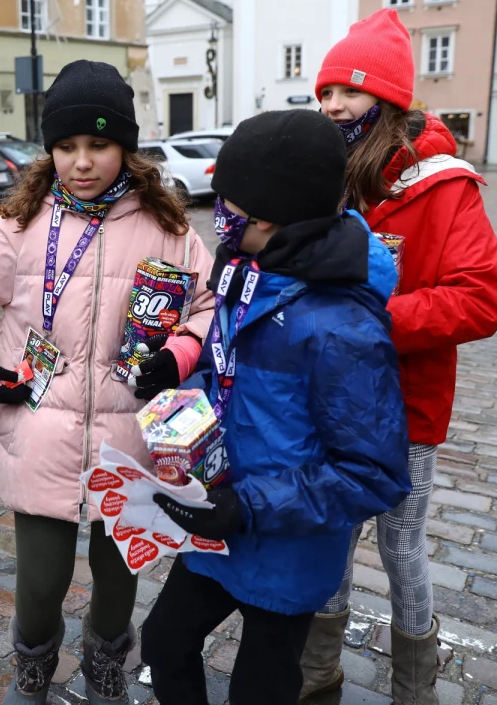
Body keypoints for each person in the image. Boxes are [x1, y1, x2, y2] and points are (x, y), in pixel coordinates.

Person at [0, 60, 217, 705]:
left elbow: (206, 304)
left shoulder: (168, 231)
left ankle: (105, 666)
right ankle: (31, 671)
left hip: (129, 439)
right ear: (49, 150)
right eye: (65, 147)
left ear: (126, 149)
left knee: (118, 578)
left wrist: (182, 351)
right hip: (40, 433)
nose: (81, 162)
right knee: (41, 579)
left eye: (99, 145)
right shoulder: (20, 229)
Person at [139, 110, 412, 705]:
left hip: (285, 544)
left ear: (266, 218)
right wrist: (180, 402)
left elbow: (376, 473)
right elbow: (226, 368)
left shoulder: (342, 326)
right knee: (163, 642)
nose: (218, 215)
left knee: (259, 689)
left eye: (228, 206)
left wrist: (248, 507)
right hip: (218, 522)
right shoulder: (248, 267)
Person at [307, 8, 497, 705]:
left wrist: (373, 320)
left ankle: (413, 687)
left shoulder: (442, 184)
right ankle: (316, 676)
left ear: (388, 100)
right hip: (327, 402)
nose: (333, 106)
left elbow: (481, 297)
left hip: (405, 410)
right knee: (330, 537)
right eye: (326, 93)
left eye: (349, 92)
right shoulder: (324, 177)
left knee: (400, 548)